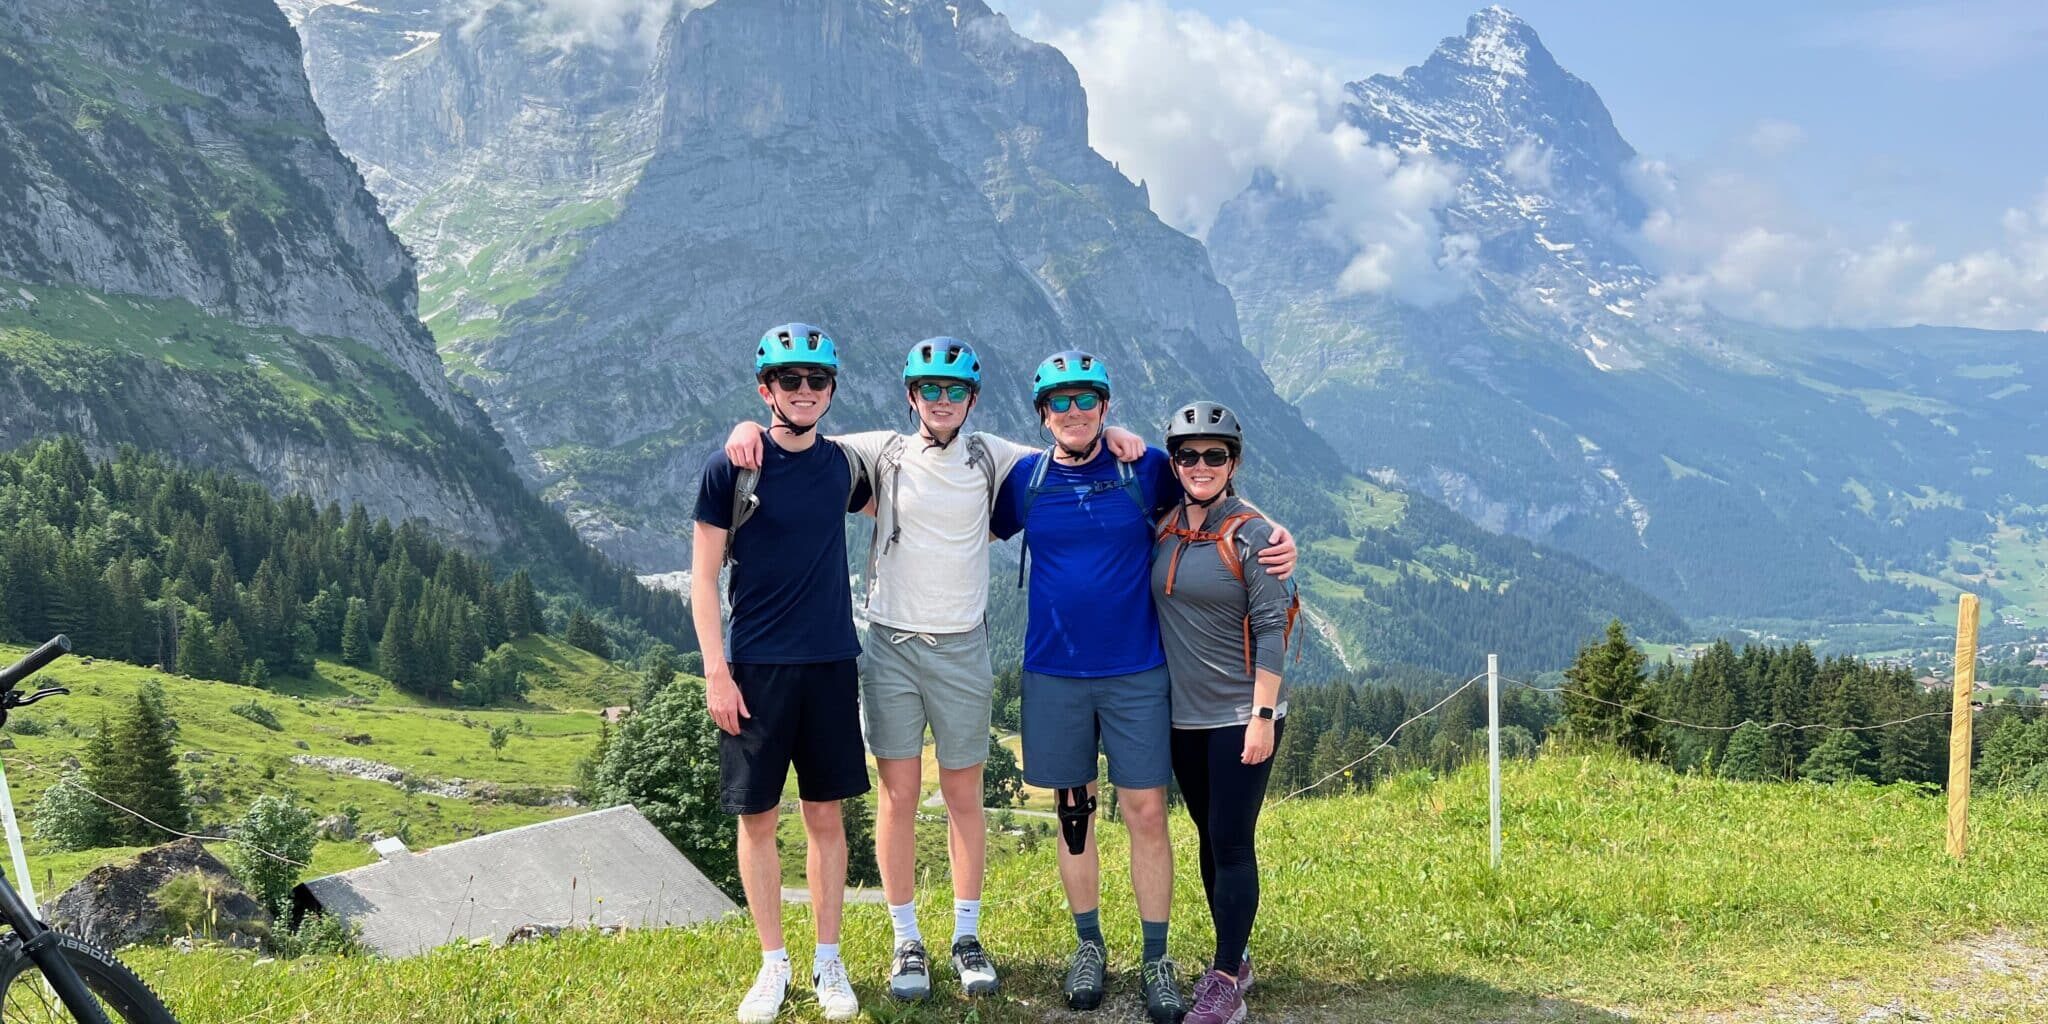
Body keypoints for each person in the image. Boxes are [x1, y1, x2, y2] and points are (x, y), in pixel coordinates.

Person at [721, 338, 1145, 1002]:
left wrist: (1117, 433)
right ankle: (905, 938)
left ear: (972, 400)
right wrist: (744, 427)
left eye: (955, 392)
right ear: (911, 396)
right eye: (929, 390)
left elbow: (1070, 447)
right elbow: (796, 438)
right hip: (891, 644)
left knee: (962, 796)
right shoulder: (880, 451)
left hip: (963, 648)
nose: (942, 401)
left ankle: (966, 935)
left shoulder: (995, 456)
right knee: (897, 795)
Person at [988, 352, 1296, 1024]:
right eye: (1060, 402)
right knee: (1075, 817)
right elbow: (954, 522)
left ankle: (1158, 959)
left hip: (1135, 672)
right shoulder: (1024, 480)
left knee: (1146, 814)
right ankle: (1089, 946)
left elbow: (1211, 490)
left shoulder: (1144, 467)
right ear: (1042, 414)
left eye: (1086, 400)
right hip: (1054, 672)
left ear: (1105, 407)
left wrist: (1277, 536)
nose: (1073, 412)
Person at [691, 323, 873, 1024]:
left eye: (816, 381)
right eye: (788, 381)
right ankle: (773, 965)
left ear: (830, 391)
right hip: (755, 667)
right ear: (765, 389)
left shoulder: (843, 467)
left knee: (825, 817)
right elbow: (703, 579)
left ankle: (829, 961)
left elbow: (918, 473)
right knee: (757, 819)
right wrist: (716, 672)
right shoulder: (730, 467)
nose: (803, 391)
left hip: (831, 662)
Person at [1150, 402, 1297, 1024]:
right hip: (1183, 718)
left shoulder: (1256, 536)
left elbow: (1271, 629)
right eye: (1188, 455)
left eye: (1215, 455)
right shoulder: (1162, 525)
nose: (1201, 464)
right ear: (1175, 462)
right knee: (1209, 838)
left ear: (1232, 463)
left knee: (1233, 842)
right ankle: (1233, 961)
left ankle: (1223, 982)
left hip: (1243, 712)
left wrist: (1262, 714)